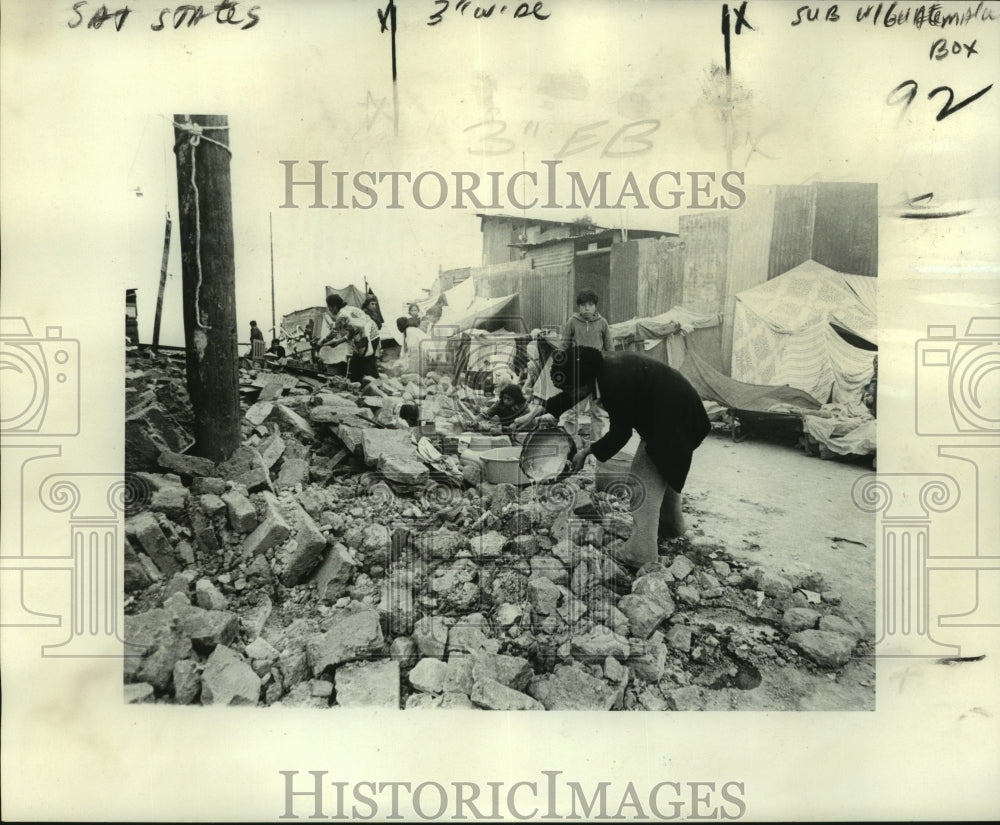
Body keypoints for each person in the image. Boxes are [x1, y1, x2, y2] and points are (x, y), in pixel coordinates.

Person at [514, 343, 710, 569]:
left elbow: (621, 434)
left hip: (676, 419)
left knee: (642, 481)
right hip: (677, 410)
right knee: (663, 470)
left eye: (570, 388)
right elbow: (574, 392)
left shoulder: (614, 381)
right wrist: (540, 410)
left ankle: (640, 552)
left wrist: (587, 451)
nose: (570, 394)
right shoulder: (596, 367)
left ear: (584, 382)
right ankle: (672, 526)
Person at [561, 290, 613, 442]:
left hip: (598, 375)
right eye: (583, 305)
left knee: (597, 413)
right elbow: (563, 346)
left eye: (591, 304)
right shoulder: (572, 322)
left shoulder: (603, 323)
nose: (587, 308)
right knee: (573, 411)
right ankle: (568, 446)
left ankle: (595, 447)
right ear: (579, 307)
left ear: (595, 306)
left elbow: (610, 349)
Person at [317, 294, 379, 381]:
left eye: (330, 308)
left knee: (364, 361)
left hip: (367, 336)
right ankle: (363, 383)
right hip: (374, 334)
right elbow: (353, 330)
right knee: (363, 361)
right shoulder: (351, 308)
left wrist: (321, 343)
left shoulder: (342, 315)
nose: (330, 310)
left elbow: (334, 333)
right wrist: (338, 342)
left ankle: (372, 384)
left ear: (334, 306)